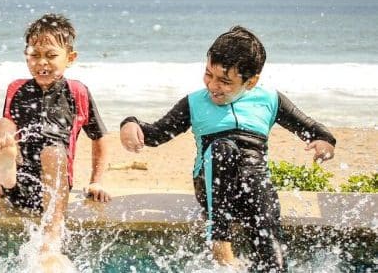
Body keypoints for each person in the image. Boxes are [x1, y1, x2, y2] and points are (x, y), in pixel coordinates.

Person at [119, 25, 336, 272]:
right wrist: (130, 123)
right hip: (211, 185)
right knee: (222, 149)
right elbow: (156, 134)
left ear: (251, 82)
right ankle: (220, 242)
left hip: (254, 189)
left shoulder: (269, 99)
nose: (213, 85)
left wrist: (324, 143)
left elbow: (313, 129)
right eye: (208, 75)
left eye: (225, 81)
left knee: (269, 241)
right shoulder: (194, 102)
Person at [0, 13, 111, 264]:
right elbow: (8, 140)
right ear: (26, 55)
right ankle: (4, 179)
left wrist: (97, 181)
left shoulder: (77, 92)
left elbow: (100, 137)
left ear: (70, 58)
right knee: (2, 124)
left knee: (52, 151)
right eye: (34, 55)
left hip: (54, 189)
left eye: (51, 55)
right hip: (19, 183)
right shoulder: (16, 89)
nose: (42, 62)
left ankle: (52, 235)